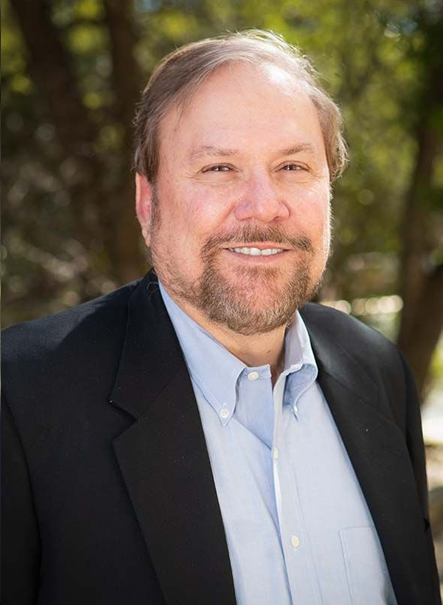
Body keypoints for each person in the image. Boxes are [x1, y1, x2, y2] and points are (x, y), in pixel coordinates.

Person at [2, 30, 441, 605]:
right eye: (218, 168)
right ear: (148, 203)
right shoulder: (21, 399)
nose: (264, 205)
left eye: (292, 165)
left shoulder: (379, 371)